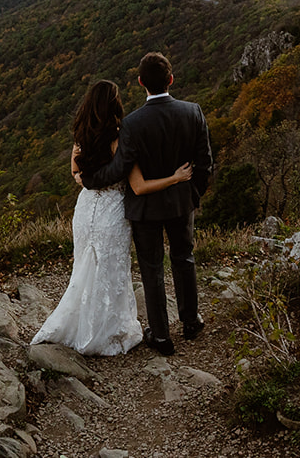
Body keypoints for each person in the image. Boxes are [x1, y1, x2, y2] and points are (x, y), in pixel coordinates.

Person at [31, 79, 193, 355]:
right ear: (114, 104)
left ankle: (77, 324)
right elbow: (139, 186)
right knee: (111, 271)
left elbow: (76, 174)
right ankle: (106, 331)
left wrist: (91, 184)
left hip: (85, 210)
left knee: (85, 268)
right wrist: (174, 178)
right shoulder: (120, 138)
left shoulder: (81, 135)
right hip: (112, 212)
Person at [78, 52, 213, 356]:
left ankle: (162, 336)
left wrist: (89, 179)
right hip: (181, 203)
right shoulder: (193, 112)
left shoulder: (132, 124)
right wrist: (192, 195)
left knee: (151, 269)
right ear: (171, 79)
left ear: (141, 82)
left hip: (145, 209)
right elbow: (206, 164)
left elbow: (119, 169)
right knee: (184, 258)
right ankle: (191, 322)